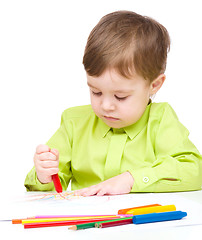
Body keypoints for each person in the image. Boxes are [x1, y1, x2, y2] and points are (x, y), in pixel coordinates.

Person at [24, 10, 202, 196]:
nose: (106, 105)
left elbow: (194, 170)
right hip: (88, 223)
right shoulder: (73, 123)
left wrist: (132, 179)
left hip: (141, 223)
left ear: (154, 85)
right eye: (96, 92)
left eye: (121, 96)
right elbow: (44, 190)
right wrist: (44, 175)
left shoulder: (161, 120)